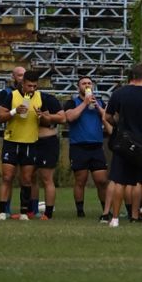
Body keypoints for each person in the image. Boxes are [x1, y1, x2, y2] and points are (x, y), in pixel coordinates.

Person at [104, 62, 142, 228]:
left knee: (120, 181)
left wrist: (117, 122)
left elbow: (107, 116)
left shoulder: (119, 94)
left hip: (124, 142)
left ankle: (115, 218)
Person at [0, 70, 41, 219]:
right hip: (11, 141)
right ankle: (2, 211)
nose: (32, 89)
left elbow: (59, 116)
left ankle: (24, 212)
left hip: (29, 143)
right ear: (22, 83)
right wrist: (15, 111)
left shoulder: (41, 97)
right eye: (29, 86)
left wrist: (45, 116)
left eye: (34, 86)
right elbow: (0, 117)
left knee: (26, 179)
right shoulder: (11, 96)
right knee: (7, 177)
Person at [62, 75, 107, 217]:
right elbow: (69, 117)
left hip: (96, 146)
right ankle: (80, 211)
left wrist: (98, 107)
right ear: (78, 87)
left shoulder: (99, 102)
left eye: (89, 83)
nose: (87, 86)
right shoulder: (72, 102)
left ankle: (106, 210)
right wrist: (84, 104)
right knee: (80, 180)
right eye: (83, 83)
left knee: (101, 180)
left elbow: (108, 118)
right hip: (79, 146)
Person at [32, 78, 65, 219]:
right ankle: (31, 211)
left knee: (46, 178)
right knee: (29, 177)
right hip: (29, 141)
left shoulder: (48, 99)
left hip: (47, 142)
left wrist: (46, 117)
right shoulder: (20, 99)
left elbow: (62, 118)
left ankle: (48, 213)